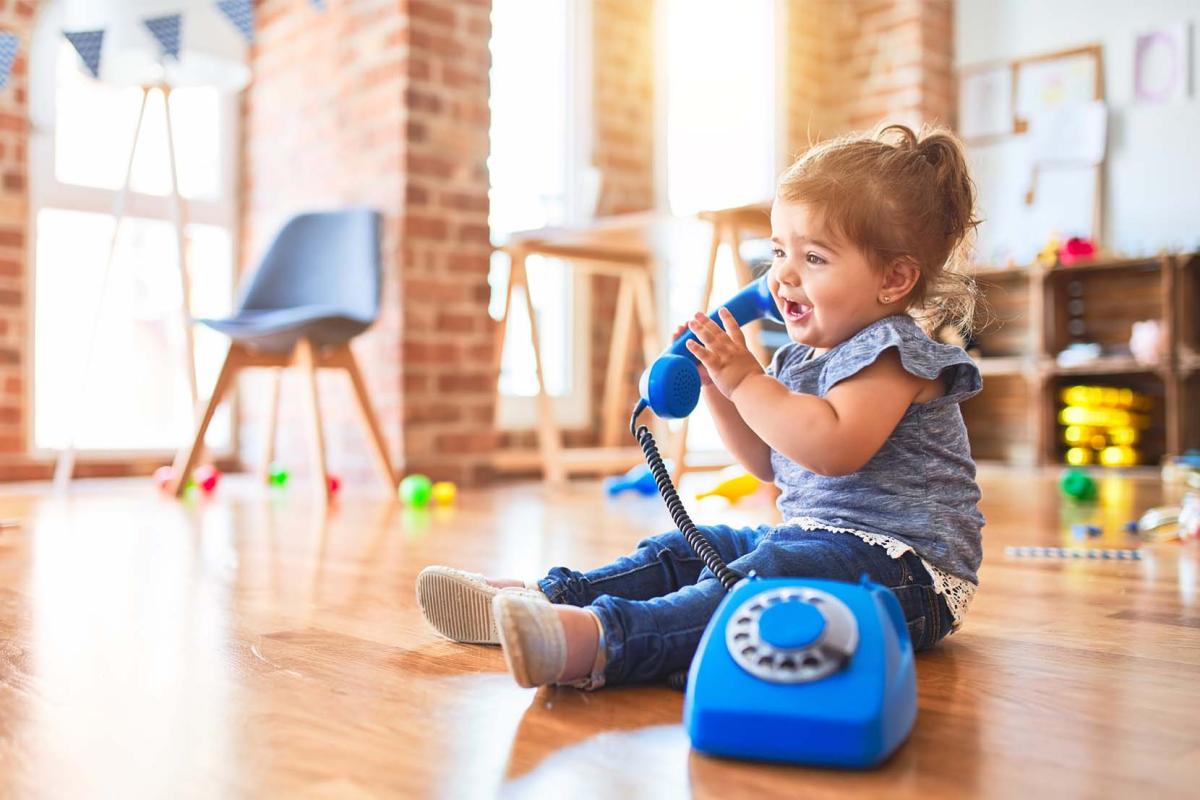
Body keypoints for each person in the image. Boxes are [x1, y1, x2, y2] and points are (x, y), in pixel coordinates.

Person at [417, 123, 985, 690]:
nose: (782, 275)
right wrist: (716, 384)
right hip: (815, 544)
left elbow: (832, 448)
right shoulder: (798, 361)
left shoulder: (893, 355)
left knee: (759, 581)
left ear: (895, 279)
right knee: (690, 548)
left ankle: (597, 641)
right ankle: (542, 598)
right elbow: (769, 462)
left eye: (814, 258)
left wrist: (744, 381)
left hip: (910, 578)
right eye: (779, 250)